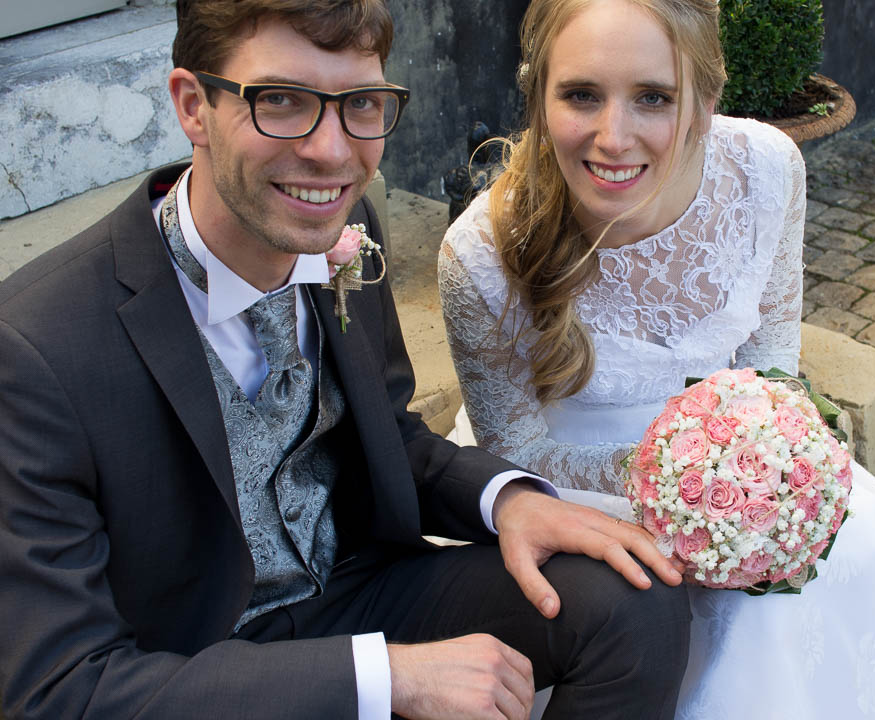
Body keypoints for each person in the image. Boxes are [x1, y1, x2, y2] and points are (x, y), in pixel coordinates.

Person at [0, 1, 694, 718]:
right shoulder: (33, 348)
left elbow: (388, 435)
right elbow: (56, 691)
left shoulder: (343, 226)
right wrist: (384, 679)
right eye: (281, 102)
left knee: (631, 601)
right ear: (193, 106)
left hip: (357, 588)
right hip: (189, 663)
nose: (332, 151)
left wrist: (507, 500)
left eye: (360, 103)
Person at [439, 0, 875, 718]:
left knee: (824, 571)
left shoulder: (763, 170)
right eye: (580, 95)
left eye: (653, 98)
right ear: (537, 93)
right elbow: (516, 452)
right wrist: (680, 486)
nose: (613, 136)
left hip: (736, 467)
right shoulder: (478, 256)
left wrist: (766, 468)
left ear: (703, 101)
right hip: (571, 494)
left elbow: (770, 362)